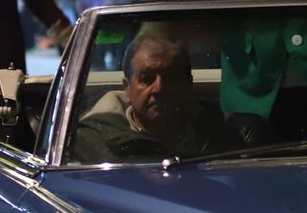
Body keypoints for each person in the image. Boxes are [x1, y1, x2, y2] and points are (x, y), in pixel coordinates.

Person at [66, 34, 222, 162]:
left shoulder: (220, 130)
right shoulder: (91, 140)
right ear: (127, 87)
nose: (158, 88)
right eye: (147, 79)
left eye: (170, 78)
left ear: (188, 84)